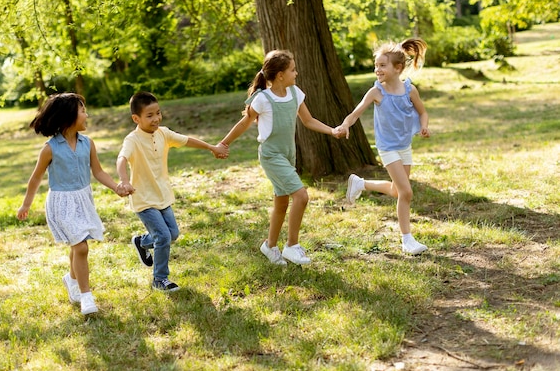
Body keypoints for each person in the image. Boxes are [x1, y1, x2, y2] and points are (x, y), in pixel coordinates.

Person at [218, 49, 340, 266]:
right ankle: (292, 246)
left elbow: (309, 121)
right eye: (293, 70)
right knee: (301, 196)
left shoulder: (295, 93)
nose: (297, 73)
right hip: (271, 155)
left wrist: (332, 131)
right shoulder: (263, 99)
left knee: (282, 202)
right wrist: (224, 143)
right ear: (280, 75)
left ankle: (270, 245)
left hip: (288, 154)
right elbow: (245, 123)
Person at [17, 93, 130, 315]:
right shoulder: (50, 148)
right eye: (83, 111)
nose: (87, 115)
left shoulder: (88, 143)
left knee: (77, 245)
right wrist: (26, 205)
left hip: (83, 199)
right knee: (81, 246)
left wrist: (116, 187)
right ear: (69, 116)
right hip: (61, 203)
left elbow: (97, 171)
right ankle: (86, 296)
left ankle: (71, 279)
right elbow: (36, 178)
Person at [116, 91, 228, 292]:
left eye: (158, 113)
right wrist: (124, 181)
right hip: (143, 198)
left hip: (162, 195)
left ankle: (142, 242)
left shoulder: (163, 133)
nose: (156, 118)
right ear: (136, 118)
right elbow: (121, 159)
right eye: (149, 115)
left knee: (172, 234)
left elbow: (187, 140)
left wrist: (212, 147)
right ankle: (160, 279)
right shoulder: (132, 140)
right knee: (163, 236)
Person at [334, 38, 430, 255]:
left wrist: (424, 127)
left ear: (398, 68)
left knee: (398, 191)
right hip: (387, 148)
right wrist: (344, 125)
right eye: (376, 65)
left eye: (382, 65)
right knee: (406, 192)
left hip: (404, 146)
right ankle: (407, 239)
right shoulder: (376, 92)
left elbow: (423, 111)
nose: (377, 69)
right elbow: (356, 112)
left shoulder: (409, 90)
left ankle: (360, 184)